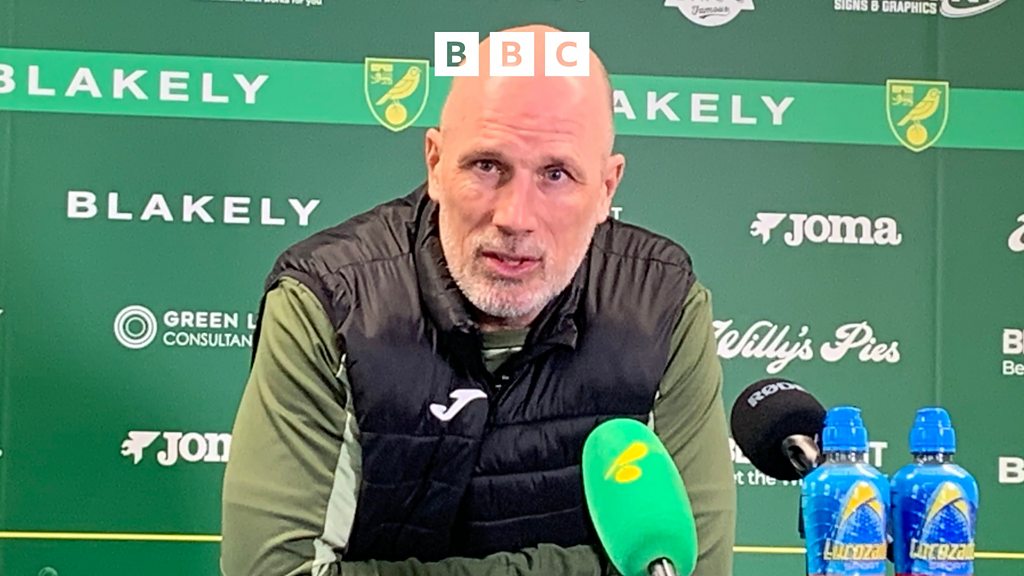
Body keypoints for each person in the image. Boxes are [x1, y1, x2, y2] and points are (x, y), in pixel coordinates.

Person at [221, 24, 736, 576]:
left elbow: (693, 569)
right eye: (487, 166)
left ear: (607, 188)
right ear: (435, 163)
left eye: (556, 174)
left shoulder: (663, 305)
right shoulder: (329, 301)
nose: (515, 217)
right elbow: (270, 571)